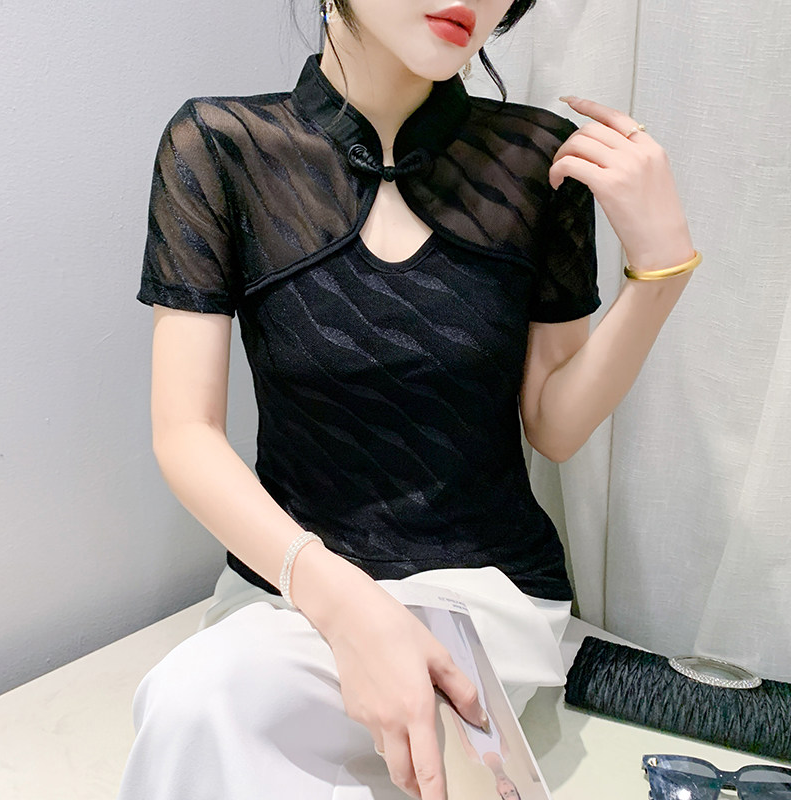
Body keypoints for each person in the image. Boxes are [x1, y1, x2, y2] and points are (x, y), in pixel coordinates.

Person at [117, 1, 698, 798]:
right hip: (290, 595)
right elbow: (185, 434)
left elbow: (554, 426)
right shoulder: (220, 147)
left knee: (219, 713)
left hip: (487, 597)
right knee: (203, 704)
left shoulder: (534, 159)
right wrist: (344, 605)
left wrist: (661, 272)